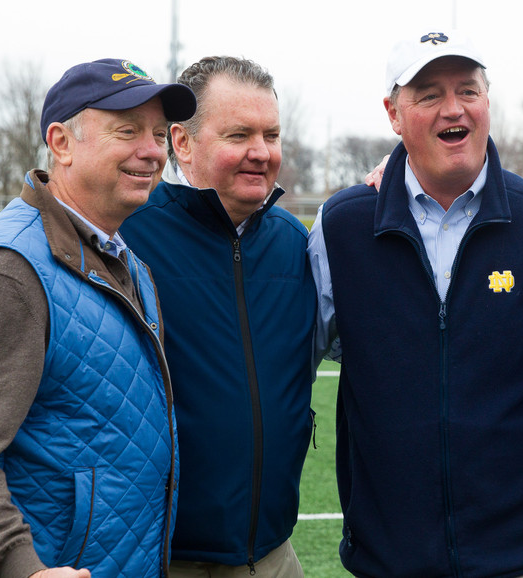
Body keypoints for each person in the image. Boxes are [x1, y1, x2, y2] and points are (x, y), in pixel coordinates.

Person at [307, 30, 523, 577]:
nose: (454, 108)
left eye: (468, 89)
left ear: (487, 102)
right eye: (428, 94)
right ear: (393, 114)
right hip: (392, 560)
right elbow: (291, 368)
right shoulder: (341, 228)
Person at [0, 59, 196, 578]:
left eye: (159, 133)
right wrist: (22, 568)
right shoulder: (8, 271)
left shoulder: (124, 257)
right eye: (127, 130)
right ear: (61, 143)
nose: (153, 150)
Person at [119, 56, 316, 577]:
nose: (260, 153)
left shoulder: (298, 246)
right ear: (181, 143)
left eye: (271, 135)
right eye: (239, 135)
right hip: (162, 558)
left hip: (272, 553)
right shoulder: (127, 240)